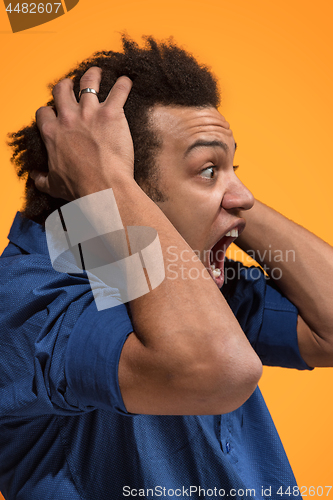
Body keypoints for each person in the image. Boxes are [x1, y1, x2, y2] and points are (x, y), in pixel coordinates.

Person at [1, 35, 332, 500]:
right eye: (208, 170)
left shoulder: (188, 273)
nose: (245, 196)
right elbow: (219, 371)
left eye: (235, 166)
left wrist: (221, 185)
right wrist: (108, 177)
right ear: (116, 188)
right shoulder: (25, 302)